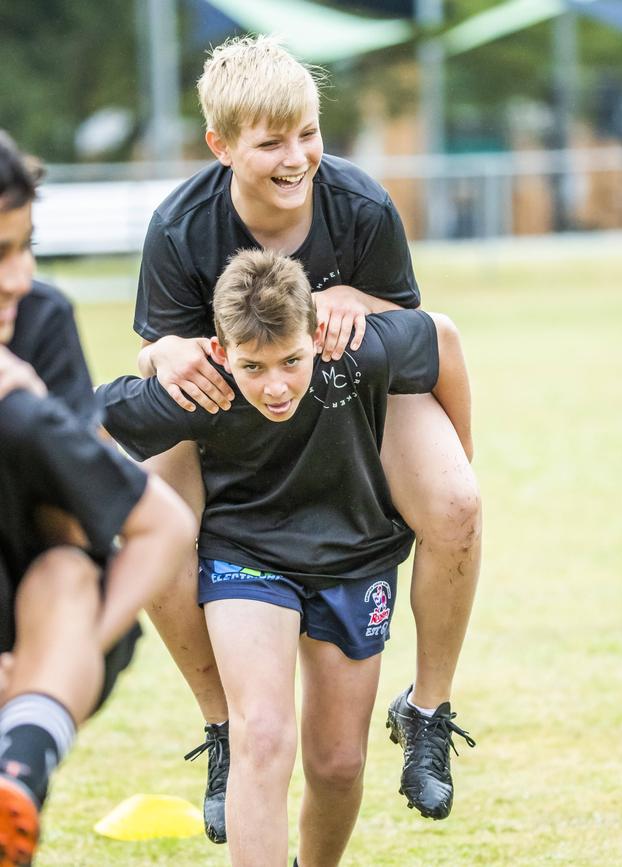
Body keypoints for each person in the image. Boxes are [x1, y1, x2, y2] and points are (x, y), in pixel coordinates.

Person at [134, 35, 482, 839]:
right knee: (147, 519)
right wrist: (164, 349)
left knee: (459, 502)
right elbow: (161, 355)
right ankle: (224, 724)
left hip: (352, 387)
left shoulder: (360, 205)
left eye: (308, 133)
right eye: (271, 143)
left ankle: (427, 709)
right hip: (233, 408)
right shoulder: (181, 229)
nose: (298, 159)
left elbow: (417, 337)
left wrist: (362, 299)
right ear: (221, 146)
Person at [98, 248, 476, 867]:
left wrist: (460, 455)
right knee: (263, 737)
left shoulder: (360, 349)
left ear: (316, 335)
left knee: (337, 764)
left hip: (354, 555)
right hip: (246, 558)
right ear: (220, 352)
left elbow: (444, 340)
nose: (275, 385)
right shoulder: (199, 389)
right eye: (253, 366)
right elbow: (75, 423)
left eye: (291, 361)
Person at [0, 131, 198, 867]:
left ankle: (19, 763)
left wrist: (33, 666)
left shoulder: (39, 329)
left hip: (42, 620)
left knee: (67, 569)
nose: (19, 277)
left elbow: (98, 532)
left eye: (25, 247)